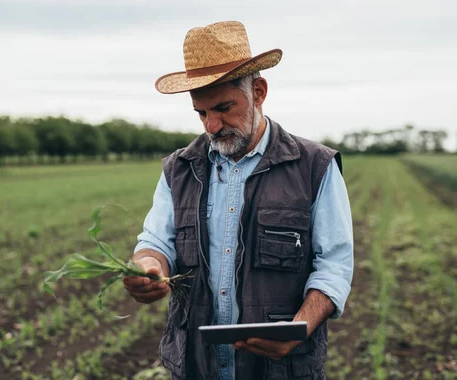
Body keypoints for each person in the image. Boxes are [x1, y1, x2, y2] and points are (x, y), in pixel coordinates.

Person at [123, 21, 353, 380]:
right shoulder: (178, 169)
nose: (212, 125)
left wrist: (300, 328)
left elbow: (335, 265)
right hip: (197, 366)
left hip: (282, 369)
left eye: (223, 108)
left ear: (258, 91)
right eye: (201, 113)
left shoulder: (314, 166)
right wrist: (148, 268)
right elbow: (155, 243)